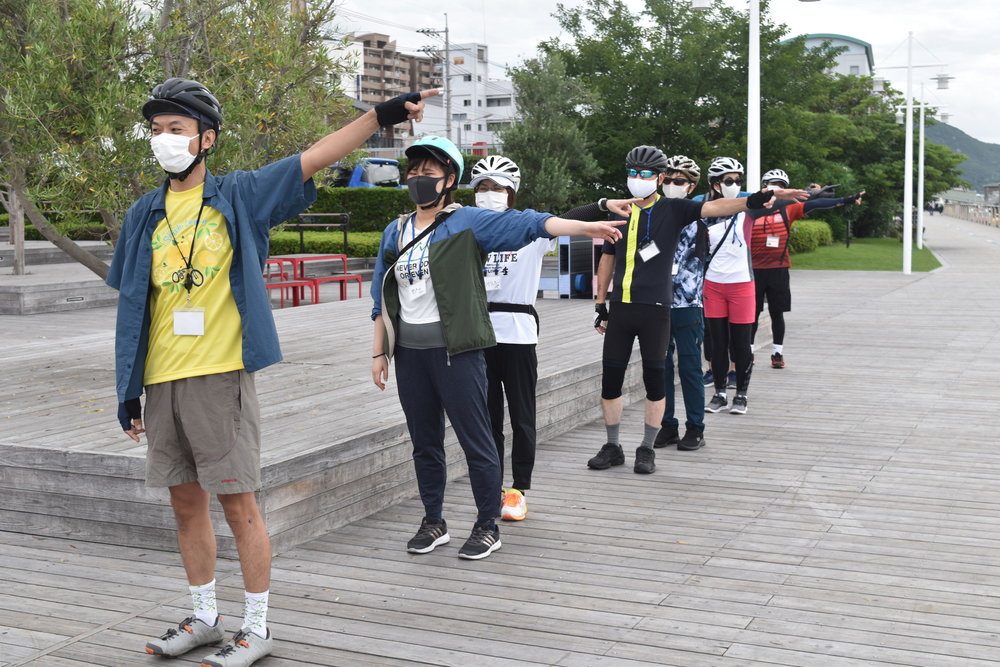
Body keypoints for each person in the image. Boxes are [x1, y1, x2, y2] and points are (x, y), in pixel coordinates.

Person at [107, 77, 434, 667]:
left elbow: (316, 155)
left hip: (220, 375)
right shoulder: (143, 214)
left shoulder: (240, 195)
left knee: (238, 502)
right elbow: (134, 304)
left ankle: (256, 626)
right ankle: (206, 616)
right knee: (184, 503)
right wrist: (127, 390)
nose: (163, 141)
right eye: (156, 132)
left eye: (175, 131)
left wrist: (379, 115)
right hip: (161, 380)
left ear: (206, 139)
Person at [370, 137, 627, 559]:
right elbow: (381, 294)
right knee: (424, 441)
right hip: (410, 355)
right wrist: (379, 352)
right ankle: (433, 520)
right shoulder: (394, 230)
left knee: (478, 439)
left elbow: (533, 223)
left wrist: (588, 225)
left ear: (449, 180)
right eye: (413, 173)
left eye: (429, 174)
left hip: (458, 350)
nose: (419, 180)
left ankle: (487, 523)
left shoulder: (467, 221)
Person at [588, 146, 777, 475]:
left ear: (660, 179)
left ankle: (656, 444)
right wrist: (600, 302)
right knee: (611, 380)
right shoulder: (620, 210)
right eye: (632, 173)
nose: (638, 179)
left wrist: (750, 202)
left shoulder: (675, 209)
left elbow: (714, 205)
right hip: (622, 307)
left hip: (666, 307)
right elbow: (607, 256)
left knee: (662, 378)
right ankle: (613, 445)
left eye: (645, 174)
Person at [752, 169, 866, 369]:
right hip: (753, 269)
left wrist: (846, 200)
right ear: (763, 186)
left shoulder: (789, 209)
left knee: (777, 313)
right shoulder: (751, 207)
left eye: (780, 185)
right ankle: (748, 352)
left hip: (778, 268)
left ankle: (777, 353)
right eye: (771, 184)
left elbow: (817, 204)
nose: (775, 188)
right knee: (751, 313)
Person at [652, 155, 709, 452]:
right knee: (660, 368)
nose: (673, 185)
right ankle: (667, 425)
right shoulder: (654, 214)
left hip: (688, 304)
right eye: (668, 180)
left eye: (680, 181)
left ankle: (696, 427)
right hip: (658, 304)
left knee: (689, 368)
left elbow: (735, 202)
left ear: (691, 186)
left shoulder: (702, 214)